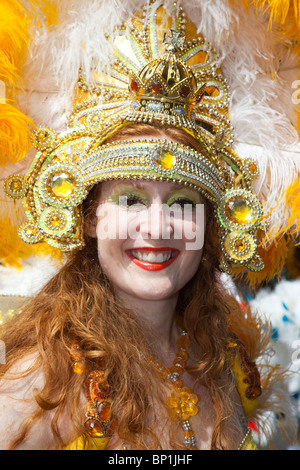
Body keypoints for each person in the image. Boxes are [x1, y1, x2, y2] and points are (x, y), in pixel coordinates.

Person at [0, 0, 298, 450]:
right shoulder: (46, 379)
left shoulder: (224, 351)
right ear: (89, 218)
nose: (157, 227)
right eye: (131, 199)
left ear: (210, 223)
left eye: (181, 202)